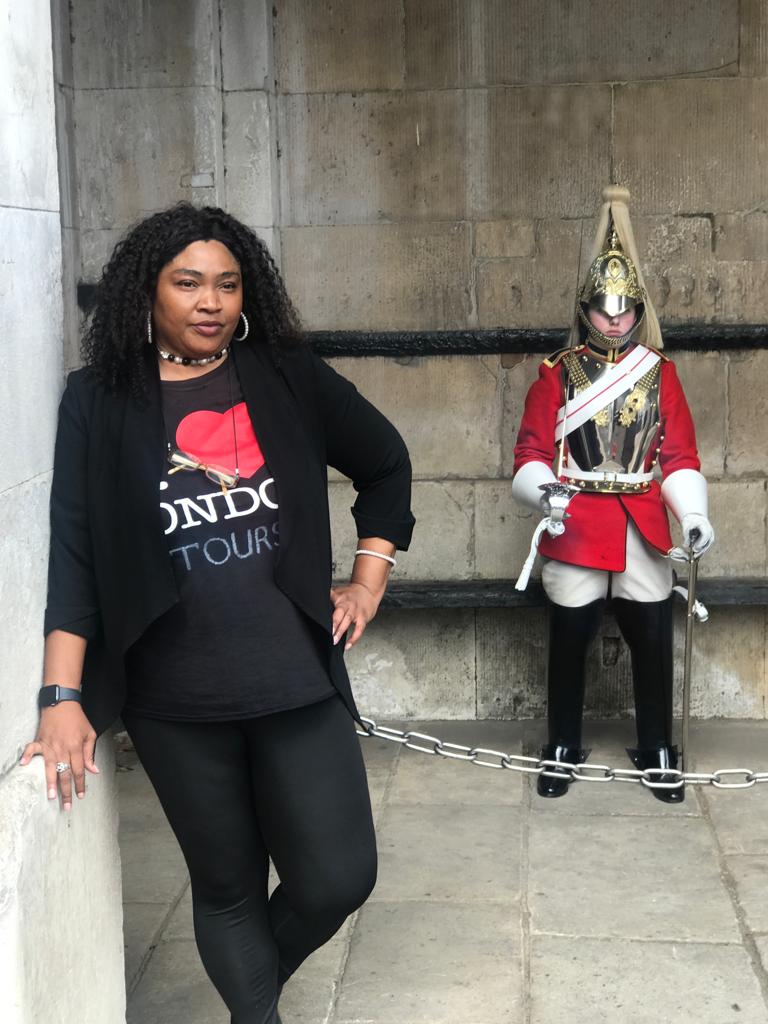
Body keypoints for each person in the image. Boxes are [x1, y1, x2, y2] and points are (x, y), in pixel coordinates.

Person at [19, 203, 414, 1023]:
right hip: (174, 698)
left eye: (228, 285)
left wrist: (367, 581)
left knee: (339, 876)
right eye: (189, 283)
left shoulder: (286, 376)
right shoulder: (98, 401)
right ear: (147, 294)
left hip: (294, 677)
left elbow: (385, 463)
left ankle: (251, 1000)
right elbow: (76, 552)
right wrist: (61, 698)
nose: (212, 302)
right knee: (227, 885)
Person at [511, 185, 714, 804]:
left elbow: (677, 455)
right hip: (577, 523)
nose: (616, 320)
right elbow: (530, 455)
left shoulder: (661, 373)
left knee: (652, 642)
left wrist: (695, 514)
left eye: (626, 311)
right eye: (605, 310)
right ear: (586, 309)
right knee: (568, 644)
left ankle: (657, 746)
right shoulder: (556, 372)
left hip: (643, 525)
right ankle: (563, 744)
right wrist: (545, 493)